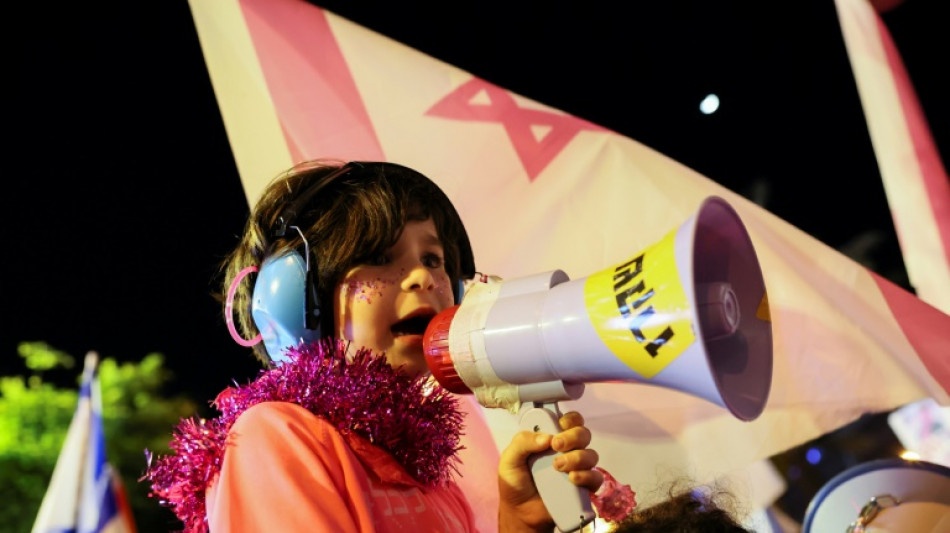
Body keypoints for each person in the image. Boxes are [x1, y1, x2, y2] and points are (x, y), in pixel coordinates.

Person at [143, 159, 606, 532]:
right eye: (379, 257)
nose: (425, 276)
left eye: (433, 258)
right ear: (295, 300)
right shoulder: (273, 436)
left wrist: (517, 523)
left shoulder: (432, 480)